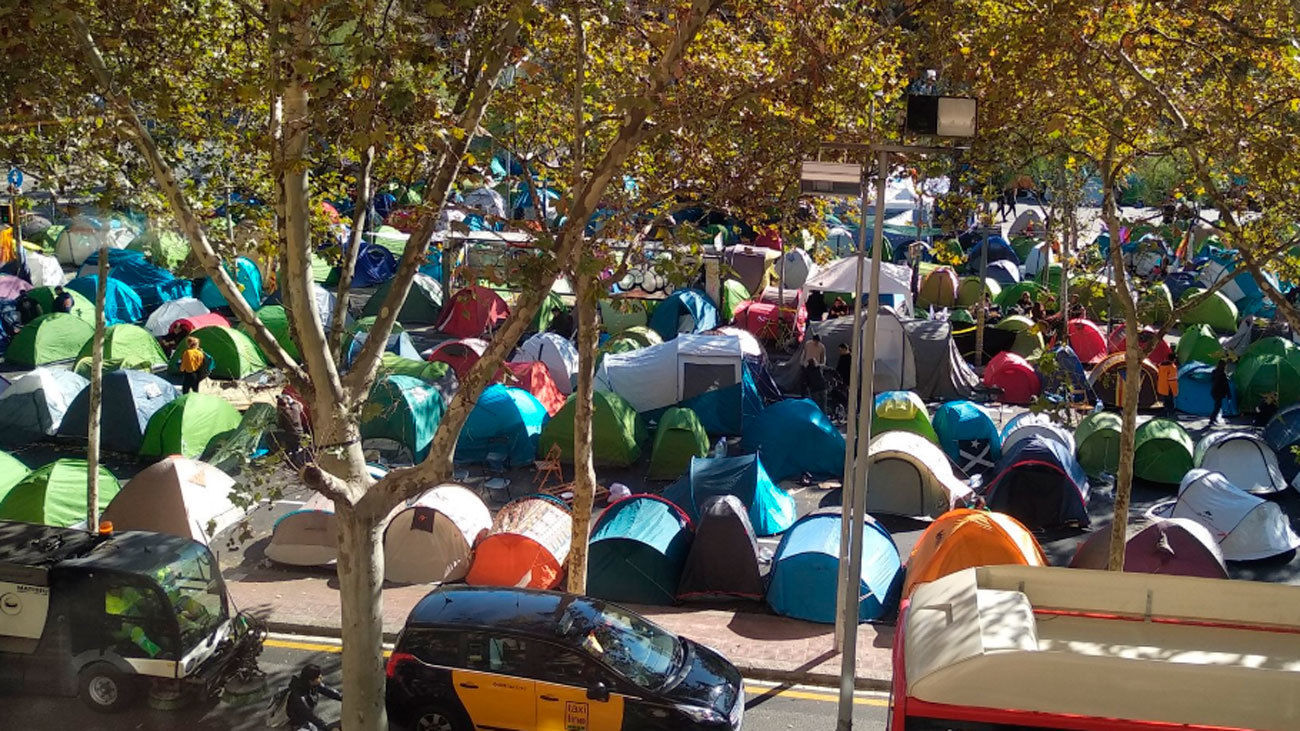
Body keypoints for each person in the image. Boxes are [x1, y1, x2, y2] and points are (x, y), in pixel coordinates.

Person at [285, 664, 341, 731]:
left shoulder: (313, 685)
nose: (321, 677)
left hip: (307, 717)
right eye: (318, 677)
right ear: (310, 680)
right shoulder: (299, 696)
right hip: (299, 722)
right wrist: (326, 727)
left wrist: (342, 697)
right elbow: (309, 715)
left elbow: (327, 691)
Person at [801, 334, 827, 413]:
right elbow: (803, 353)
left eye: (817, 342)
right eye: (815, 341)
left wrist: (820, 365)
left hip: (816, 367)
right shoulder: (808, 344)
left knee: (820, 398)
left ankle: (820, 412)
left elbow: (823, 359)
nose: (816, 343)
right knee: (806, 383)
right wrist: (802, 362)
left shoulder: (822, 347)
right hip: (808, 366)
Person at [1209, 359, 1230, 425]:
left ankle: (1214, 419)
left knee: (1217, 406)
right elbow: (1225, 385)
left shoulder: (1214, 372)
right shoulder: (1223, 374)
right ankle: (1212, 420)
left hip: (1214, 391)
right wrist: (1228, 393)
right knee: (1217, 406)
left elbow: (1212, 380)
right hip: (1219, 392)